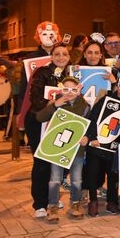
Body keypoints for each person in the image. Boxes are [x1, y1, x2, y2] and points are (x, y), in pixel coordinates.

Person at [35, 76, 89, 222]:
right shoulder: (56, 103)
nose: (69, 92)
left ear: (79, 90)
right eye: (66, 89)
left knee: (77, 180)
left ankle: (75, 204)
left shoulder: (85, 106)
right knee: (55, 179)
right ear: (60, 89)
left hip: (77, 149)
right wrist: (54, 106)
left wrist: (87, 138)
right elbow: (39, 117)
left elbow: (91, 126)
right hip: (57, 149)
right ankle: (52, 206)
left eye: (73, 89)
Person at [84, 75, 120, 216]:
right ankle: (93, 201)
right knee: (93, 173)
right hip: (97, 144)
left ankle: (112, 202)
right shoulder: (105, 99)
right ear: (116, 86)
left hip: (115, 147)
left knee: (113, 175)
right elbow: (93, 118)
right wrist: (92, 137)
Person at [27, 41, 70, 218]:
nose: (61, 57)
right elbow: (35, 99)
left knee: (59, 162)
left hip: (61, 123)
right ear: (51, 56)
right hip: (40, 122)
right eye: (57, 54)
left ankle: (52, 197)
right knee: (41, 164)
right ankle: (40, 204)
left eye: (65, 54)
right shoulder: (42, 73)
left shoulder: (71, 74)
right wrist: (52, 103)